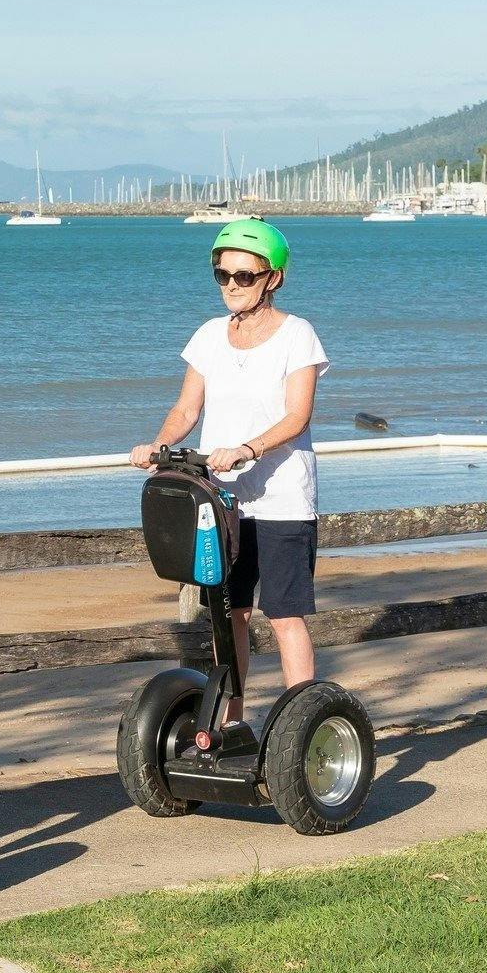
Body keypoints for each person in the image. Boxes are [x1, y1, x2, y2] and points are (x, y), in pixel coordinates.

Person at [131, 219, 329, 720]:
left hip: (283, 497)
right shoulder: (208, 337)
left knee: (285, 615)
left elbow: (297, 416)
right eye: (223, 276)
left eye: (245, 276)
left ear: (273, 278)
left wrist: (247, 448)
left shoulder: (297, 335)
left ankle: (298, 722)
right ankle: (231, 718)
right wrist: (158, 444)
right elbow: (186, 410)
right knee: (229, 613)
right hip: (222, 499)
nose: (233, 286)